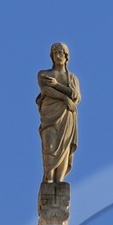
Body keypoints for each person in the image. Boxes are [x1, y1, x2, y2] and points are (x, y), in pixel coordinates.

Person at [36, 42, 81, 182]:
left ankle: (59, 181)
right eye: (55, 53)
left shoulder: (72, 78)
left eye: (61, 53)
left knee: (64, 147)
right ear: (52, 56)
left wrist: (56, 85)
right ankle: (48, 177)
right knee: (49, 146)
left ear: (66, 56)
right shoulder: (44, 74)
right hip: (50, 115)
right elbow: (45, 90)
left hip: (67, 116)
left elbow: (76, 96)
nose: (58, 55)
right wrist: (63, 98)